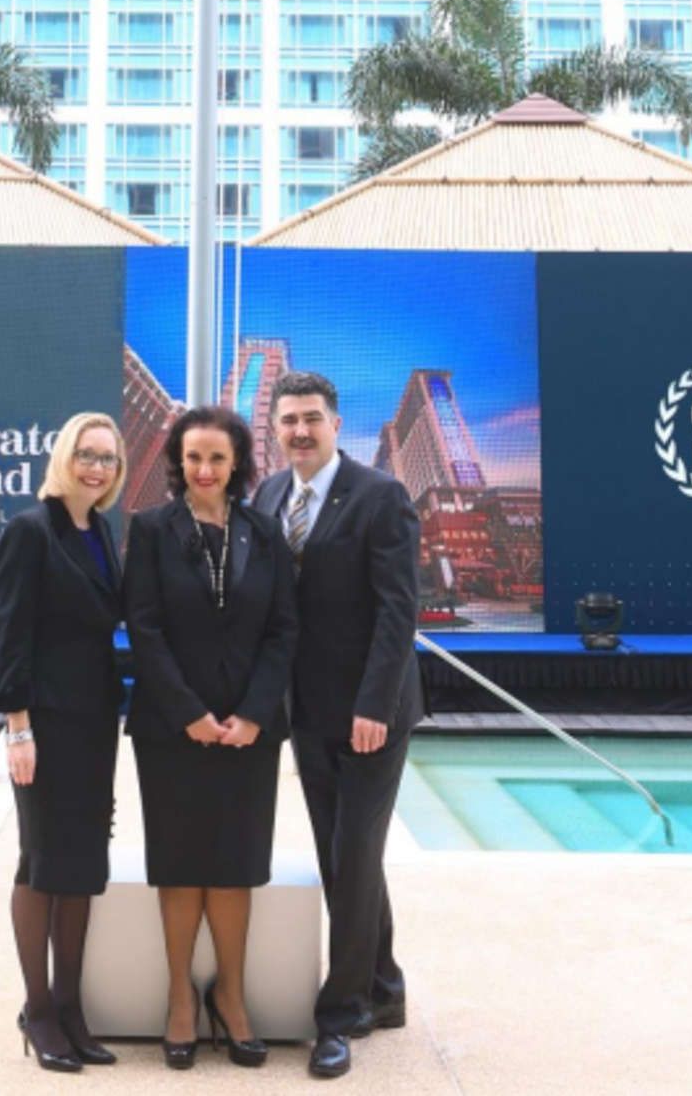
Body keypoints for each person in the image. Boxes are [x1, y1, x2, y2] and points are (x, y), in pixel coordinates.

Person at [253, 371, 422, 1081]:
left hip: (368, 713)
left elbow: (397, 611)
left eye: (311, 418)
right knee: (340, 854)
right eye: (288, 419)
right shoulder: (266, 495)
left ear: (335, 422)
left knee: (353, 854)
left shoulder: (381, 497)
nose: (299, 430)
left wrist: (374, 706)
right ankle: (384, 986)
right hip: (308, 710)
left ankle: (342, 1011)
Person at [124, 405, 298, 1072]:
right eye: (192, 457)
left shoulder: (265, 530)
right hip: (173, 730)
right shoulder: (150, 530)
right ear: (177, 461)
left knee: (235, 862)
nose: (203, 469)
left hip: (249, 732)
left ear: (238, 464)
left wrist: (254, 712)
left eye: (217, 458)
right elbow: (144, 627)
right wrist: (188, 710)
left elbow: (284, 628)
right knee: (179, 862)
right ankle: (178, 998)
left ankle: (230, 994)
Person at [0, 410, 126, 1074]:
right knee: (40, 860)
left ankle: (71, 1005)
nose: (97, 466)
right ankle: (38, 1008)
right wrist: (18, 728)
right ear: (63, 455)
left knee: (82, 861)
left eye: (108, 457)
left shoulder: (101, 530)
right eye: (87, 453)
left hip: (97, 721)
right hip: (42, 723)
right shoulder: (30, 529)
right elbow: (12, 636)